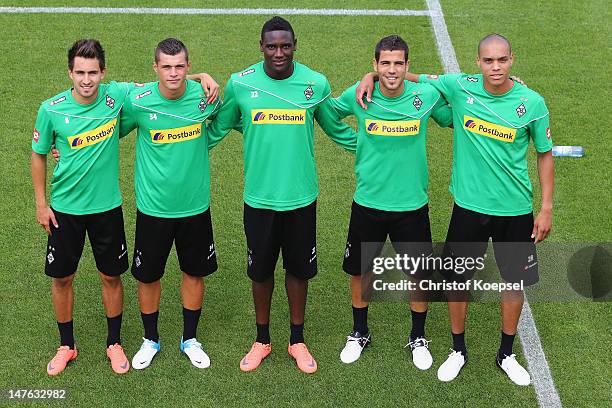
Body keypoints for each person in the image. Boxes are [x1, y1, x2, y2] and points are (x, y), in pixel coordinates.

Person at [357, 33, 554, 386]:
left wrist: (546, 207)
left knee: (514, 284)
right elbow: (416, 77)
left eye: (502, 60)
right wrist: (370, 76)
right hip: (468, 208)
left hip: (515, 210)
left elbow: (544, 153)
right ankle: (458, 350)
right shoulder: (460, 86)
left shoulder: (533, 102)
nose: (496, 67)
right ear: (478, 63)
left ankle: (506, 354)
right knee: (457, 280)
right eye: (489, 61)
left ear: (512, 60)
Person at [207, 16, 355, 374]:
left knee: (298, 271)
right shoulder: (240, 84)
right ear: (261, 47)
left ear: (294, 45)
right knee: (260, 272)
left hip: (301, 198)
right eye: (271, 46)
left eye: (284, 45)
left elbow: (337, 128)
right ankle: (262, 339)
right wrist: (178, 145)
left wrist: (378, 146)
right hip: (258, 199)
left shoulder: (315, 83)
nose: (278, 53)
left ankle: (297, 339)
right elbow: (216, 128)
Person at [329, 35, 452, 369]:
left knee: (419, 275)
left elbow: (456, 114)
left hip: (411, 206)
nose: (392, 69)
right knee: (361, 269)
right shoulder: (360, 95)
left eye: (399, 63)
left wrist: (509, 86)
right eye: (385, 63)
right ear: (375, 65)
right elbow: (327, 113)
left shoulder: (425, 97)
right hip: (368, 202)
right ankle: (359, 332)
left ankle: (417, 336)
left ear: (407, 66)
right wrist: (357, 145)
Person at [119, 38, 221, 370]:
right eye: (166, 67)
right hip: (153, 209)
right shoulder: (139, 101)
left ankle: (189, 338)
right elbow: (105, 128)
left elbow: (235, 111)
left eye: (180, 66)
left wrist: (202, 78)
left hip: (194, 208)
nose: (173, 73)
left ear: (188, 66)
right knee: (148, 277)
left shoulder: (205, 98)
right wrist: (63, 147)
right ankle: (150, 339)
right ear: (155, 69)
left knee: (194, 273)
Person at [32, 39, 131, 375]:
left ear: (103, 72)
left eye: (93, 72)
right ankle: (66, 346)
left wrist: (201, 75)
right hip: (65, 211)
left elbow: (164, 83)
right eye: (80, 73)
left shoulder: (116, 96)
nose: (86, 80)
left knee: (111, 276)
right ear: (69, 73)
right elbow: (39, 154)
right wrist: (41, 204)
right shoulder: (51, 109)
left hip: (107, 208)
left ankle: (114, 343)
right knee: (62, 278)